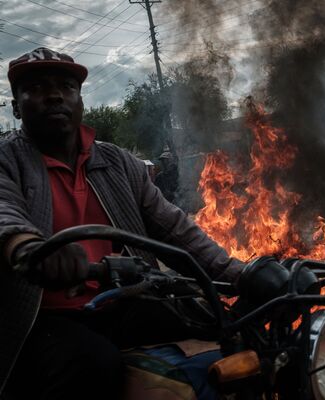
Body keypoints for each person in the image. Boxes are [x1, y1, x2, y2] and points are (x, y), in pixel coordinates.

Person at [0, 48, 285, 400]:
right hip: (41, 319)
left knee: (222, 325)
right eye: (38, 87)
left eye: (67, 86)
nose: (56, 94)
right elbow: (5, 215)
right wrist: (28, 247)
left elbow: (175, 229)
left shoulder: (118, 163)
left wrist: (241, 274)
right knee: (95, 366)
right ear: (15, 105)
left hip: (121, 301)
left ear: (80, 101)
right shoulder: (7, 161)